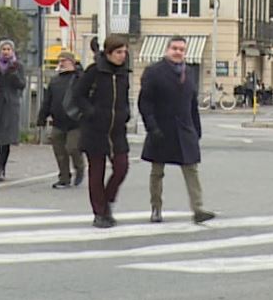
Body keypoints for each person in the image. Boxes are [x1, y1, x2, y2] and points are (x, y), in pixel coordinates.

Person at [138, 37, 214, 225]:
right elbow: (145, 102)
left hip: (185, 129)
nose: (178, 52)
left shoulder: (188, 72)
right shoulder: (153, 72)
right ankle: (156, 208)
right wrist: (152, 127)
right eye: (175, 48)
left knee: (191, 169)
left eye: (181, 49)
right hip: (161, 129)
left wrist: (196, 130)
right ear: (167, 49)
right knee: (157, 172)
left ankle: (198, 209)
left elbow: (192, 103)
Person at [69, 34, 132, 228]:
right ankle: (100, 212)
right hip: (95, 129)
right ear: (109, 52)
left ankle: (108, 200)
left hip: (117, 130)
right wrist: (91, 112)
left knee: (121, 167)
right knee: (97, 172)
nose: (122, 56)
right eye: (118, 52)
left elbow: (124, 97)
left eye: (124, 52)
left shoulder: (123, 73)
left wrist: (126, 113)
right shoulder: (94, 71)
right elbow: (78, 95)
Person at [38, 51, 85, 189]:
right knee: (59, 151)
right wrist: (42, 117)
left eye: (64, 60)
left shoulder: (79, 79)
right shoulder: (55, 81)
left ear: (72, 62)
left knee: (73, 147)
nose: (61, 63)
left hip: (75, 121)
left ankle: (79, 168)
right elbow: (47, 100)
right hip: (58, 121)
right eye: (60, 60)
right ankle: (64, 177)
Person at [0, 39, 27, 182]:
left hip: (10, 104)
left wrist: (13, 73)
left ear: (13, 51)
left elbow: (22, 84)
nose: (6, 51)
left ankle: (1, 167)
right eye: (4, 49)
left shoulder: (17, 65)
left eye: (9, 49)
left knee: (6, 139)